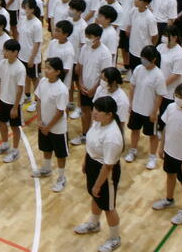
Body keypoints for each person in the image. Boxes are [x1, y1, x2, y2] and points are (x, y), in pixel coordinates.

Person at [74, 95, 123, 252]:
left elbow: (108, 166)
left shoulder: (112, 137)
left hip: (105, 172)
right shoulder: (97, 123)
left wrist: (97, 185)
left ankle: (115, 238)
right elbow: (90, 143)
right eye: (95, 108)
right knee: (95, 197)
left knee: (109, 207)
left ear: (109, 114)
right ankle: (94, 223)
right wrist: (85, 161)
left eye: (99, 110)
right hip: (93, 163)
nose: (94, 112)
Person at [151, 82, 182, 225]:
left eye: (181, 96)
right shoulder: (171, 107)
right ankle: (169, 199)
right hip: (169, 152)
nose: (177, 98)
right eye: (176, 95)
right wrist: (161, 147)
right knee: (170, 176)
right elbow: (166, 128)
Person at [32, 57, 70, 192]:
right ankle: (46, 169)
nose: (45, 70)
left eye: (49, 68)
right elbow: (38, 101)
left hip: (57, 128)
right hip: (44, 125)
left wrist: (48, 127)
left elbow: (60, 112)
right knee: (46, 148)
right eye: (45, 67)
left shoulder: (61, 89)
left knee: (60, 154)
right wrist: (40, 120)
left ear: (58, 72)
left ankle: (61, 178)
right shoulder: (43, 82)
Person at [0, 38, 25, 164]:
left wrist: (15, 107)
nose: (4, 53)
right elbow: (0, 81)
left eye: (7, 51)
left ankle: (15, 150)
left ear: (15, 52)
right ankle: (5, 144)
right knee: (1, 122)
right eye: (4, 50)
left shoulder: (20, 68)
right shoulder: (2, 63)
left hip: (13, 103)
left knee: (14, 127)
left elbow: (20, 89)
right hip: (3, 100)